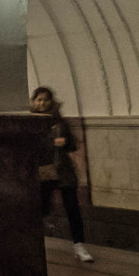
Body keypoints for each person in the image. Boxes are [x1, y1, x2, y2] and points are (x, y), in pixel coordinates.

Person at [32, 86, 94, 263]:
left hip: (63, 172)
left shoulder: (60, 122)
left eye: (45, 99)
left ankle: (79, 245)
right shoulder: (31, 122)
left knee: (72, 208)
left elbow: (73, 144)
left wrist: (65, 142)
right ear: (34, 102)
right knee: (42, 208)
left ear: (51, 101)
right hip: (43, 172)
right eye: (39, 99)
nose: (42, 103)